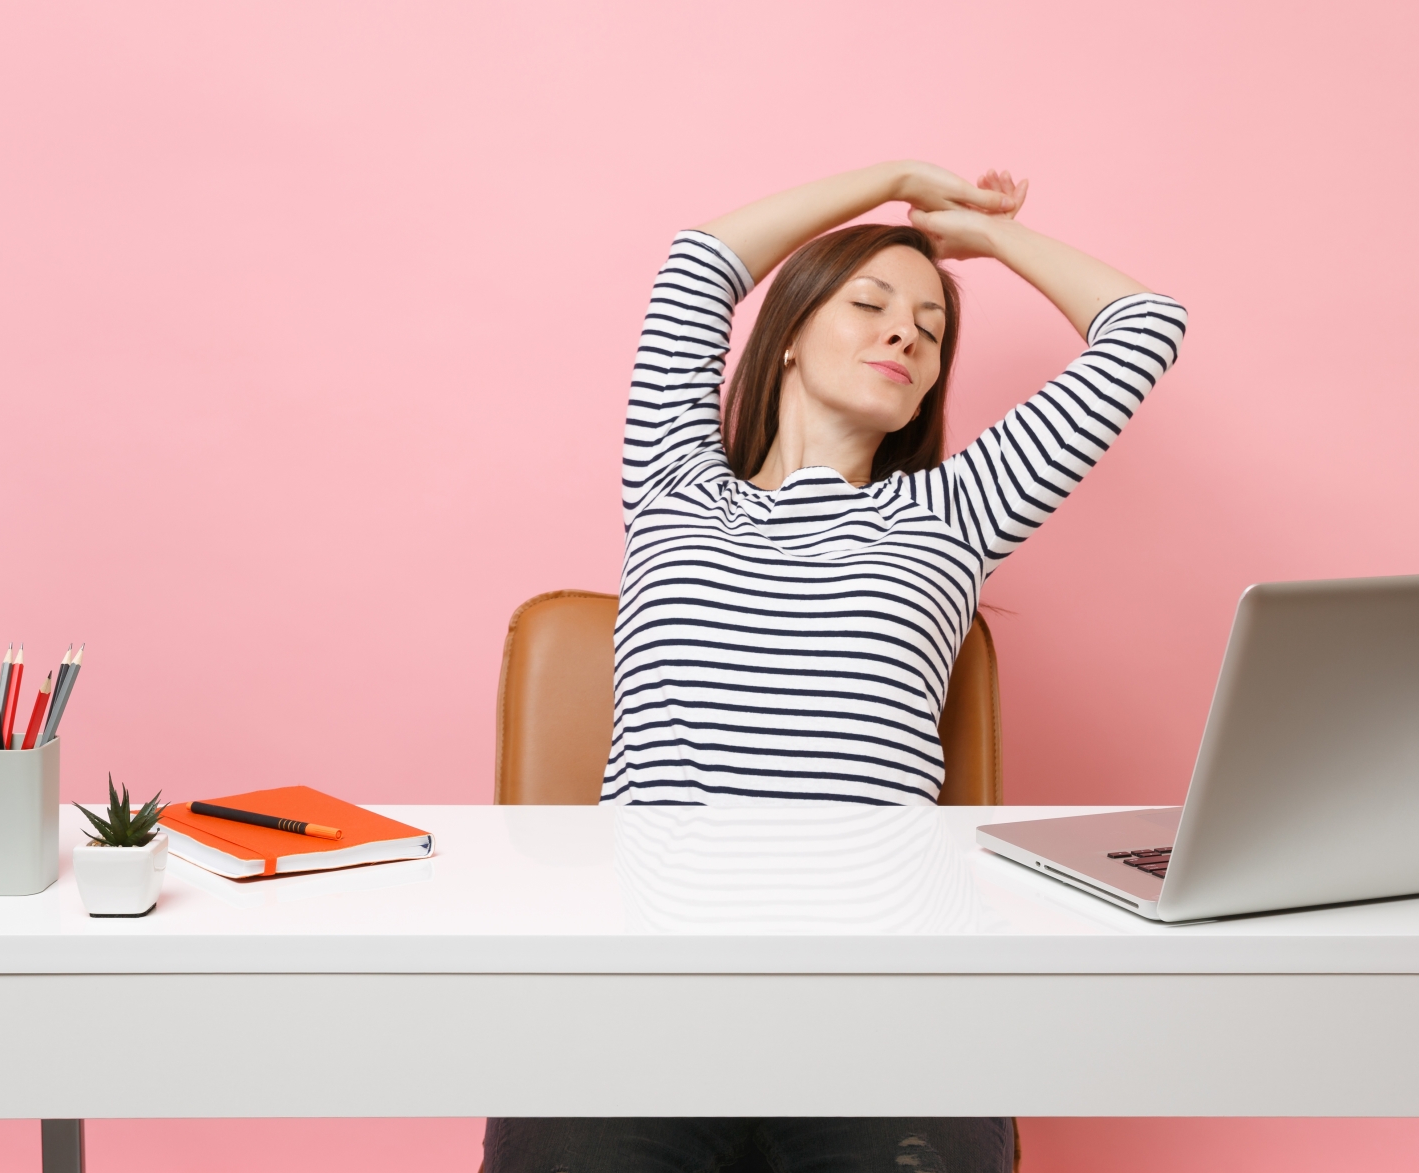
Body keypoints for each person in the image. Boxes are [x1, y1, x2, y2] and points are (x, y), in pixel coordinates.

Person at [483, 162, 1186, 1173]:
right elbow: (700, 265)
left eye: (931, 330)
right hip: (641, 987)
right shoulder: (675, 486)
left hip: (882, 997)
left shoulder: (951, 515)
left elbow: (1143, 327)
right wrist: (893, 181)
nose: (904, 332)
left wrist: (982, 241)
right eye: (867, 304)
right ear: (787, 338)